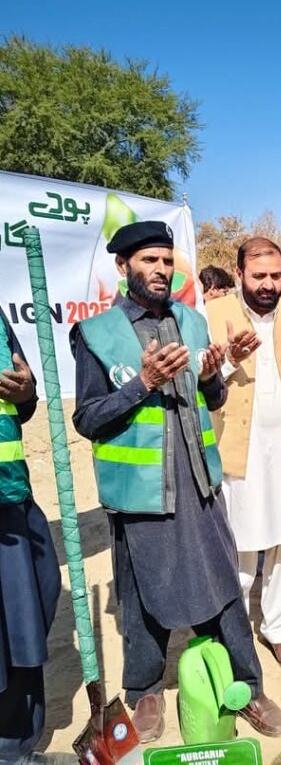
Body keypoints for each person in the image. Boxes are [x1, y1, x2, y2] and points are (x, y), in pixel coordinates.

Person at [71, 221, 281, 742]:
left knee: (223, 587)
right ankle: (145, 691)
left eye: (167, 261)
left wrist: (212, 375)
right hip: (140, 491)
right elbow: (87, 419)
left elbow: (208, 400)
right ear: (124, 268)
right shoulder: (97, 335)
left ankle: (249, 686)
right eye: (149, 261)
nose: (162, 270)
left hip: (198, 483)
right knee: (144, 595)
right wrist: (142, 384)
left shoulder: (193, 322)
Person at [206, 238, 281, 671]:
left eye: (275, 276)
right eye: (259, 276)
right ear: (238, 275)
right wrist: (230, 359)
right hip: (237, 446)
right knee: (240, 543)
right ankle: (233, 633)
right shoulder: (212, 315)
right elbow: (200, 379)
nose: (269, 284)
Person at [0, 310, 60, 762]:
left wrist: (27, 393)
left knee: (30, 613)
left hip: (12, 495)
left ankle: (18, 746)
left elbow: (24, 397)